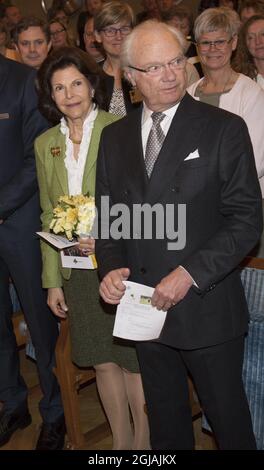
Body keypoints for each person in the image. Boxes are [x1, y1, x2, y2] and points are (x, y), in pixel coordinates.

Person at [95, 19, 263, 450]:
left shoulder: (223, 127)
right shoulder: (114, 138)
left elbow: (246, 219)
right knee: (166, 424)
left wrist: (188, 273)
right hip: (145, 308)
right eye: (154, 67)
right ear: (130, 76)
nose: (170, 74)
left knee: (228, 422)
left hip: (206, 307)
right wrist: (111, 271)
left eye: (175, 62)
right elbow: (111, 219)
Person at [35, 46, 150, 450]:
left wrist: (106, 234)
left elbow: (139, 200)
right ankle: (121, 444)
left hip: (121, 265)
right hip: (77, 272)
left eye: (77, 83)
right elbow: (49, 214)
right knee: (103, 360)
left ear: (92, 84)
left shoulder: (122, 128)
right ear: (51, 97)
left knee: (133, 362)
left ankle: (144, 446)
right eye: (59, 88)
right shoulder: (45, 143)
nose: (70, 94)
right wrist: (53, 282)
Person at [0, 55, 65, 450]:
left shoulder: (24, 81)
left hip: (20, 224)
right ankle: (13, 401)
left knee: (40, 326)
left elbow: (34, 158)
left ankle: (55, 413)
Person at [187, 7, 264, 196]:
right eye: (206, 42)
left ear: (234, 42)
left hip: (241, 198)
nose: (212, 49)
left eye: (220, 41)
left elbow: (255, 160)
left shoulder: (251, 93)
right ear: (197, 47)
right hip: (198, 197)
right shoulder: (188, 94)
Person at [94, 1, 141, 116]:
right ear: (98, 36)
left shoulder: (145, 70)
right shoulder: (92, 77)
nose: (119, 36)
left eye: (124, 29)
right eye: (110, 30)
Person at [233, 14, 264, 88]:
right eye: (251, 37)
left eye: (263, 34)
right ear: (245, 45)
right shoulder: (238, 80)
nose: (258, 41)